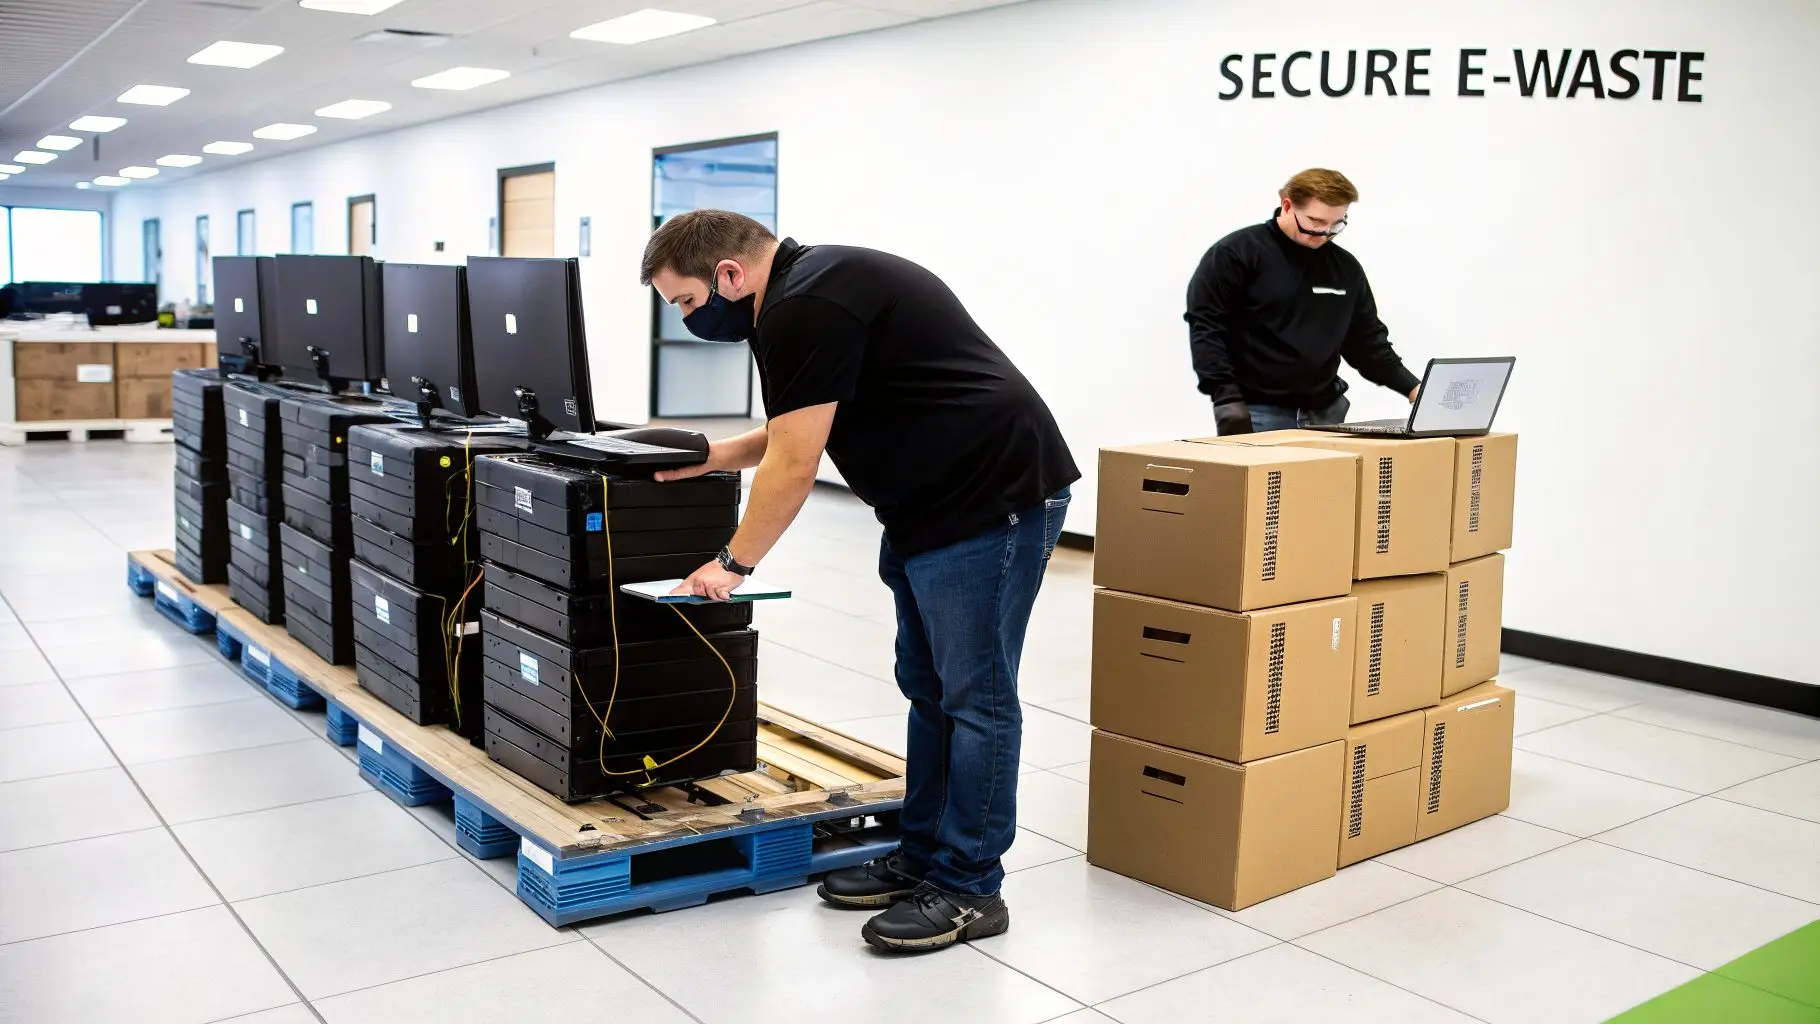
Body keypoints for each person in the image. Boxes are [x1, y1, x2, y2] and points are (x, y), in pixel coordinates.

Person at [640, 210, 1079, 953]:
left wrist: (734, 562)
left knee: (976, 697)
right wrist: (711, 456)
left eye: (684, 302)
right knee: (929, 685)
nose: (688, 319)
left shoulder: (805, 306)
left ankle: (970, 885)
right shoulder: (803, 291)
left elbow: (794, 463)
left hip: (990, 500)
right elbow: (793, 431)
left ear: (729, 275)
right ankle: (924, 855)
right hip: (930, 505)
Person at [1185, 168, 1423, 435]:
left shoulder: (1344, 268)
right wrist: (1225, 398)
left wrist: (1414, 388)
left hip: (1327, 414)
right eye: (1315, 222)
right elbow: (1207, 328)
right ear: (1287, 206)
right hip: (1258, 413)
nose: (1324, 233)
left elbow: (1367, 343)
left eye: (1336, 224)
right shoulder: (1235, 255)